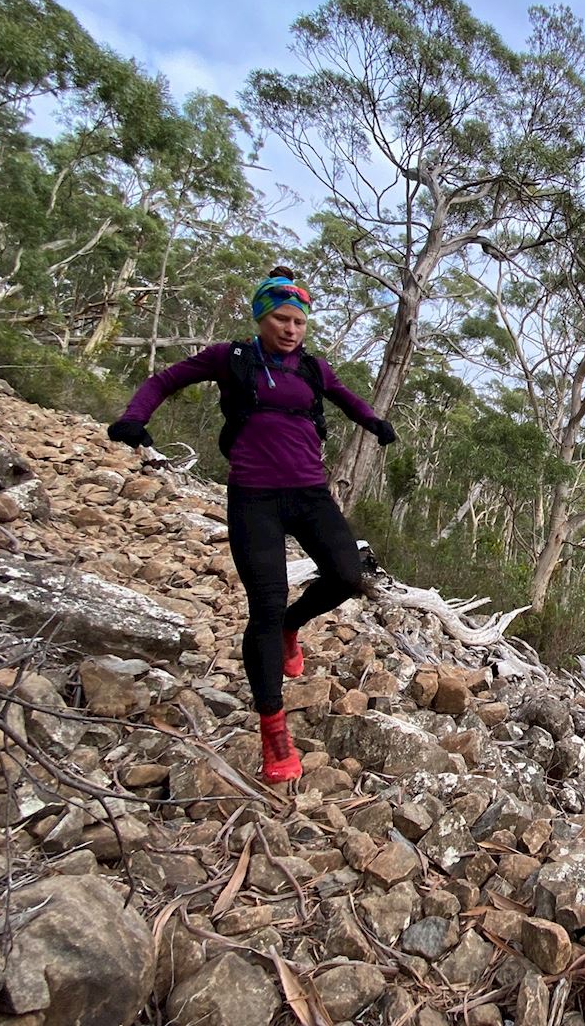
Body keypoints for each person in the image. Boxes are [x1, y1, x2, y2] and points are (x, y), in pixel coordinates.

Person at [107, 266, 395, 783]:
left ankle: (293, 625)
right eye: (282, 319)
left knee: (349, 576)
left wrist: (372, 421)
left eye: (299, 321)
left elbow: (346, 395)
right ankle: (273, 730)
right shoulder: (232, 357)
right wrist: (136, 417)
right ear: (262, 317)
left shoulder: (311, 368)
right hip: (253, 498)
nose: (291, 329)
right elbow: (165, 379)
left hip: (310, 493)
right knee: (263, 605)